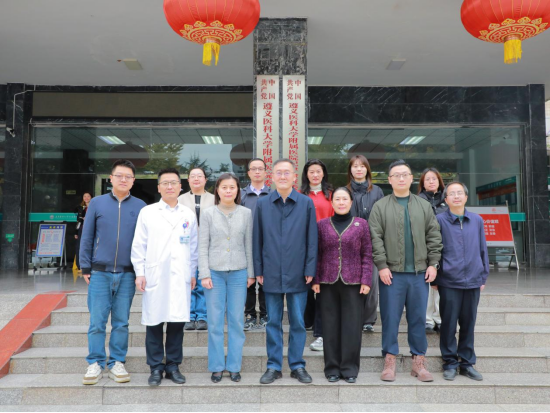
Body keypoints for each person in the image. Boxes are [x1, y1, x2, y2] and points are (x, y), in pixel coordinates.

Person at [369, 159, 443, 383]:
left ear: (411, 178)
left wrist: (433, 264)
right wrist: (382, 266)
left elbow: (434, 235)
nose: (401, 178)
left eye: (405, 175)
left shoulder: (423, 206)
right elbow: (375, 238)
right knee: (390, 318)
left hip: (419, 273)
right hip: (391, 274)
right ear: (389, 180)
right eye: (396, 175)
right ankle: (389, 359)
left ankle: (418, 361)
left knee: (418, 318)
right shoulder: (380, 206)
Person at [80, 160, 146, 386]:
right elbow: (87, 236)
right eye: (119, 175)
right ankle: (95, 362)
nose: (123, 179)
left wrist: (141, 270)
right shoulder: (97, 203)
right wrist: (85, 266)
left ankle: (117, 361)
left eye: (128, 176)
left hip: (127, 273)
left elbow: (144, 241)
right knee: (97, 322)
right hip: (100, 272)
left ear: (133, 181)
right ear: (111, 178)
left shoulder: (140, 206)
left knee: (121, 322)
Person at [254, 159, 318, 385]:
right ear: (272, 177)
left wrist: (310, 267)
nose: (282, 176)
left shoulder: (305, 203)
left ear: (294, 177)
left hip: (298, 271)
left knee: (298, 321)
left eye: (286, 173)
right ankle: (273, 366)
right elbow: (257, 239)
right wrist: (258, 268)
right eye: (278, 173)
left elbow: (312, 239)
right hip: (270, 270)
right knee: (273, 321)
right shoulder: (262, 204)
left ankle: (297, 365)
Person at [132, 168, 198, 387]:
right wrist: (140, 273)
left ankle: (173, 366)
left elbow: (194, 247)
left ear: (181, 187)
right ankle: (155, 367)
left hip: (180, 275)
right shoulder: (148, 212)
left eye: (174, 183)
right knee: (154, 322)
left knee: (177, 323)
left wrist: (192, 272)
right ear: (159, 187)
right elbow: (139, 245)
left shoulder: (188, 214)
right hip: (155, 275)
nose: (170, 187)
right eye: (165, 183)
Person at [313, 187, 373, 383]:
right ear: (332, 203)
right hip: (327, 282)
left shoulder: (361, 224)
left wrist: (366, 280)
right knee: (329, 327)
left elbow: (367, 254)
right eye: (337, 199)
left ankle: (349, 369)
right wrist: (315, 280)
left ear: (350, 202)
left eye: (344, 199)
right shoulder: (322, 225)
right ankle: (331, 368)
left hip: (354, 282)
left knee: (352, 327)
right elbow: (317, 254)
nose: (341, 202)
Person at [200, 173, 255, 383]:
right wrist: (204, 273)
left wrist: (251, 273)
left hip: (239, 273)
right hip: (214, 272)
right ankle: (216, 366)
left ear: (237, 190)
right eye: (224, 187)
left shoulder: (246, 213)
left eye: (232, 187)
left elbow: (249, 244)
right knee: (215, 322)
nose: (228, 191)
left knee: (236, 321)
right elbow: (202, 246)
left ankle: (234, 366)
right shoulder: (208, 213)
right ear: (218, 190)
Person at [434, 182, 489, 382]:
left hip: (473, 279)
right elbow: (435, 250)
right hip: (449, 280)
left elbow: (483, 248)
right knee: (448, 324)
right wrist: (436, 277)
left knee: (468, 323)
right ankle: (450, 362)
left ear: (466, 197)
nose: (456, 196)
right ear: (446, 199)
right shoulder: (439, 220)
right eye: (452, 194)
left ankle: (466, 363)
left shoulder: (477, 220)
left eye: (460, 193)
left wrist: (483, 275)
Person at [347, 155, 385, 334]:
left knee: (371, 280)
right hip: (350, 242)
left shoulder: (377, 191)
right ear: (350, 170)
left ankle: (369, 319)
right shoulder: (345, 191)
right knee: (352, 280)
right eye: (355, 166)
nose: (359, 169)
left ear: (367, 169)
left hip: (373, 241)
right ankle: (353, 316)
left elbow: (383, 217)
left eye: (362, 166)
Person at [300, 159, 334, 352]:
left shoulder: (331, 194)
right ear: (306, 174)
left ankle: (320, 330)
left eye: (318, 171)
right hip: (304, 247)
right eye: (311, 171)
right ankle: (308, 321)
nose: (315, 175)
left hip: (326, 246)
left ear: (323, 174)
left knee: (323, 289)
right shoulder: (299, 194)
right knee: (305, 286)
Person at [179, 167, 215, 331]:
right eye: (192, 176)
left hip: (208, 247)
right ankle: (188, 315)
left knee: (203, 281)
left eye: (199, 176)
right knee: (188, 281)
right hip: (187, 247)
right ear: (188, 180)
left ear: (205, 179)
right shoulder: (180, 199)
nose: (196, 179)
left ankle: (202, 316)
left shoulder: (214, 199)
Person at [241, 158, 271, 331]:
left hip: (267, 244)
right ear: (249, 173)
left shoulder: (273, 194)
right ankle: (250, 315)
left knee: (266, 279)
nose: (257, 172)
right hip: (245, 244)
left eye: (260, 169)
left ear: (266, 172)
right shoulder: (241, 195)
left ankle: (266, 314)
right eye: (254, 169)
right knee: (249, 281)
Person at [419, 168, 449, 334]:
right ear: (422, 183)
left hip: (445, 247)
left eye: (434, 179)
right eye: (427, 179)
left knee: (441, 284)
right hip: (424, 248)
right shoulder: (417, 201)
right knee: (428, 284)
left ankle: (439, 317)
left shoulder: (447, 200)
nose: (431, 182)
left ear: (439, 182)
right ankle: (427, 319)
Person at [74, 193, 92, 271]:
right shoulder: (80, 208)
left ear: (91, 197)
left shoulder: (94, 207)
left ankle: (90, 265)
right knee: (80, 246)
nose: (86, 198)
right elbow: (78, 221)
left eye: (88, 196)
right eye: (84, 196)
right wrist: (76, 232)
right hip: (82, 229)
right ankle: (80, 265)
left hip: (91, 229)